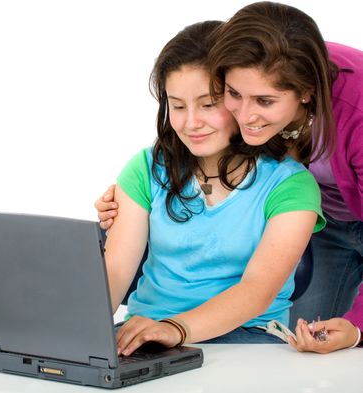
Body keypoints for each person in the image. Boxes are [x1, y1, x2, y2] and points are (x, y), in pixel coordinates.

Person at [96, 2, 363, 353]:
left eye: (208, 104)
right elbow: (115, 271)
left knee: (329, 347)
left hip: (251, 326)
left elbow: (257, 291)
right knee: (310, 341)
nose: (247, 115)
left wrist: (359, 326)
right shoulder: (149, 166)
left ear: (304, 92)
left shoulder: (299, 172)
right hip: (325, 221)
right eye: (235, 95)